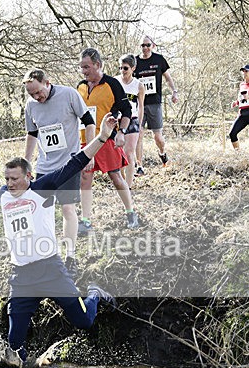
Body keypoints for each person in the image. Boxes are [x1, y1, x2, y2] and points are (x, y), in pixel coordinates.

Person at [0, 113, 121, 368]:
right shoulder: (4, 194)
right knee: (13, 348)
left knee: (83, 321)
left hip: (50, 269)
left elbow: (75, 163)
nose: (10, 184)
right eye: (6, 179)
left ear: (28, 176)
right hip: (21, 276)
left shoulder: (42, 189)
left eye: (15, 179)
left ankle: (95, 293)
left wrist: (102, 136)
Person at [23, 68, 95, 279]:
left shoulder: (69, 95)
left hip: (69, 163)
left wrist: (88, 153)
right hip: (44, 166)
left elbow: (89, 121)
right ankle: (44, 256)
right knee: (39, 212)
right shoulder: (31, 106)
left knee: (67, 209)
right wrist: (26, 163)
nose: (37, 97)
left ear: (47, 82)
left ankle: (70, 257)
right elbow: (32, 134)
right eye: (32, 94)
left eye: (38, 92)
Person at [76, 48, 139, 235]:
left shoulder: (112, 84)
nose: (84, 71)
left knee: (115, 176)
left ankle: (130, 212)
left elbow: (126, 111)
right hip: (85, 140)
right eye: (81, 68)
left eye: (87, 67)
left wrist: (122, 132)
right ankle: (85, 220)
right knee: (85, 177)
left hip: (106, 139)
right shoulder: (80, 86)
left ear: (98, 64)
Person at [133, 35, 179, 168]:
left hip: (154, 103)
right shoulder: (135, 62)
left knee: (157, 137)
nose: (145, 48)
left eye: (148, 45)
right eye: (143, 45)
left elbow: (168, 78)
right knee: (139, 134)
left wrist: (174, 91)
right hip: (139, 104)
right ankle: (139, 165)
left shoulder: (159, 59)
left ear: (153, 45)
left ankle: (162, 153)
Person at [115, 54, 145, 188]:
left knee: (129, 152)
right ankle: (121, 181)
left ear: (133, 68)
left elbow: (141, 106)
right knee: (118, 152)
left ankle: (128, 185)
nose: (122, 71)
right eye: (120, 67)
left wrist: (139, 123)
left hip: (132, 119)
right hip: (118, 119)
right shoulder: (115, 81)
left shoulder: (138, 85)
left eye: (125, 68)